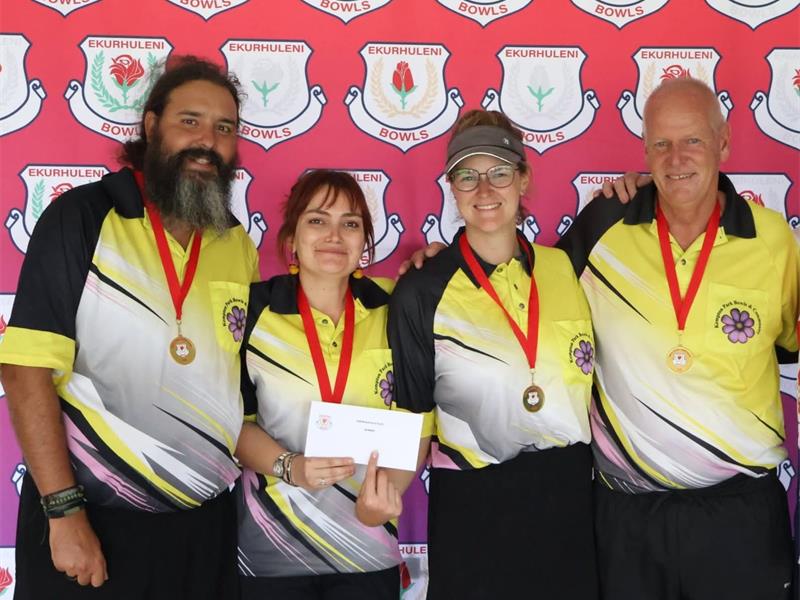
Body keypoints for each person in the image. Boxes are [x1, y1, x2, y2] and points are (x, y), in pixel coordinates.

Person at [0, 56, 258, 599]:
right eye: (190, 121)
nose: (207, 140)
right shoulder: (83, 217)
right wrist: (63, 513)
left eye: (224, 128)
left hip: (202, 530)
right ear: (150, 127)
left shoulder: (237, 243)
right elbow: (26, 371)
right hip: (93, 522)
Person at [557, 77, 800, 599]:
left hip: (740, 515)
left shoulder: (774, 239)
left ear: (724, 143)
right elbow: (519, 298)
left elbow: (790, 345)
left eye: (692, 140)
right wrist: (443, 262)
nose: (675, 159)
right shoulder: (602, 223)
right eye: (660, 144)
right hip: (628, 514)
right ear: (644, 151)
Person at [388, 110, 598, 599]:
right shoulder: (421, 289)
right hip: (473, 504)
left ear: (523, 178)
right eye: (467, 176)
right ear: (452, 187)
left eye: (500, 172)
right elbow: (413, 415)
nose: (484, 190)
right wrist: (381, 494)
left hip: (567, 496)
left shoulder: (567, 268)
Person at [233, 169, 431, 600]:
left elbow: (418, 422)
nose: (334, 235)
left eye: (351, 223)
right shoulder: (252, 311)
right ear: (292, 236)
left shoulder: (396, 307)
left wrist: (386, 495)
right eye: (317, 220)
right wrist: (291, 466)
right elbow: (230, 424)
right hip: (272, 544)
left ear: (365, 242)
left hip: (367, 543)